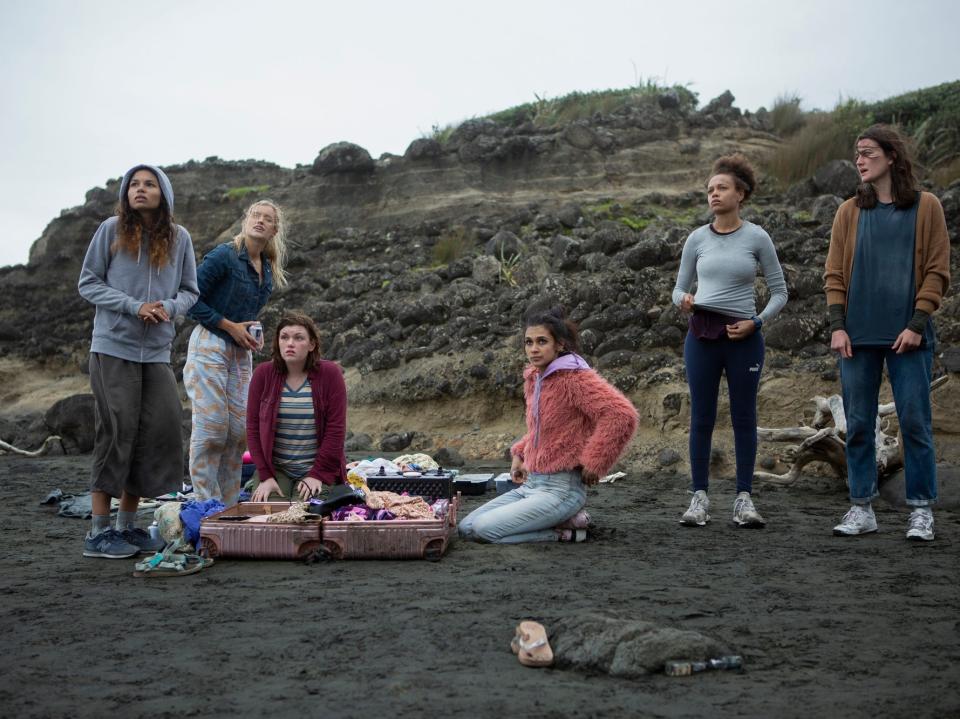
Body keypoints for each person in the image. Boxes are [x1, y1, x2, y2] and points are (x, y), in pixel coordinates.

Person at [825, 125, 950, 541]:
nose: (859, 160)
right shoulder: (849, 212)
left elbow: (937, 271)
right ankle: (861, 507)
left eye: (867, 153)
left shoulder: (927, 206)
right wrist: (838, 326)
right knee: (858, 424)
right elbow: (834, 275)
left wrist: (917, 324)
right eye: (857, 153)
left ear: (891, 157)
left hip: (908, 338)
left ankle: (920, 511)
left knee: (915, 422)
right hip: (856, 338)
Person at [77, 164, 199, 558]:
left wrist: (167, 307)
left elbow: (190, 292)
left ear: (163, 193)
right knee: (117, 432)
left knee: (157, 431)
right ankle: (99, 532)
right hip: (113, 347)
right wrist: (133, 307)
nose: (140, 189)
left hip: (157, 353)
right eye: (134, 184)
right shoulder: (110, 229)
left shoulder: (179, 238)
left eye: (149, 184)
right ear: (126, 192)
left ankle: (127, 527)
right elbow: (89, 282)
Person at [672, 154, 788, 528]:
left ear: (741, 193)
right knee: (702, 418)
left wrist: (756, 322)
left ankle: (744, 499)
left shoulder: (757, 237)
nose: (714, 194)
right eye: (709, 190)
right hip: (702, 335)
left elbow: (780, 292)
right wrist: (684, 301)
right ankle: (698, 498)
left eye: (721, 188)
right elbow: (678, 289)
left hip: (744, 337)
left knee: (743, 418)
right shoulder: (696, 238)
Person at [459, 304, 638, 544]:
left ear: (559, 344)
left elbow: (622, 414)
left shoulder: (576, 378)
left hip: (562, 490)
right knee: (465, 527)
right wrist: (521, 455)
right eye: (528, 342)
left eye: (542, 341)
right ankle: (565, 521)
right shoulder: (535, 377)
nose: (533, 349)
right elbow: (542, 429)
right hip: (532, 483)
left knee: (483, 530)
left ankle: (566, 533)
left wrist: (596, 461)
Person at [183, 200, 289, 506]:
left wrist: (251, 331)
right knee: (212, 427)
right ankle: (206, 505)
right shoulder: (224, 256)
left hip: (240, 351)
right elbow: (190, 298)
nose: (260, 221)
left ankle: (228, 506)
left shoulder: (267, 270)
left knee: (239, 432)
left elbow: (246, 312)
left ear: (274, 230)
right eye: (255, 215)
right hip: (210, 344)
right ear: (246, 221)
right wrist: (230, 326)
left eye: (267, 219)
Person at [246, 312, 347, 501]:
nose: (290, 343)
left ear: (311, 345)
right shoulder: (263, 375)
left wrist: (318, 474)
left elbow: (336, 430)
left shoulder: (330, 375)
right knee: (271, 517)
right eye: (284, 337)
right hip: (275, 469)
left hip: (316, 468)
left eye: (298, 337)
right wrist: (265, 476)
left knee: (303, 517)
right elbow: (252, 429)